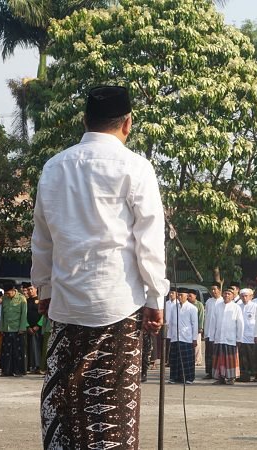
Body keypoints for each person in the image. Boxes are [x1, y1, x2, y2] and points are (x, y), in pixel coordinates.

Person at [31, 85, 169, 449]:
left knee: (65, 406)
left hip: (66, 304)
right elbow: (149, 241)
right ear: (127, 123)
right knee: (112, 413)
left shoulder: (54, 167)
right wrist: (156, 298)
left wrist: (45, 288)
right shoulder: (136, 168)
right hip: (119, 305)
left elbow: (42, 238)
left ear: (84, 120)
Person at [211, 288, 244, 385]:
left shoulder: (236, 307)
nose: (226, 295)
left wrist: (239, 338)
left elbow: (240, 324)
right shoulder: (217, 306)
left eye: (229, 294)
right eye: (225, 293)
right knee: (219, 359)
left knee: (230, 360)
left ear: (233, 296)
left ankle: (231, 378)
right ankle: (220, 377)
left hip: (231, 338)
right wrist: (212, 337)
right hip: (219, 338)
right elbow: (213, 322)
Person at [166, 287, 198, 384]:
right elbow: (170, 322)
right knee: (175, 359)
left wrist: (194, 338)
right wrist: (169, 336)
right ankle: (174, 377)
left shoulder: (192, 308)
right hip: (175, 336)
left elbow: (195, 324)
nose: (179, 297)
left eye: (181, 295)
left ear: (187, 296)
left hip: (187, 337)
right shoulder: (174, 307)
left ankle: (188, 378)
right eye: (178, 295)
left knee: (186, 359)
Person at [0, 284, 28, 377]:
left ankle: (18, 371)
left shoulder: (22, 299)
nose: (7, 295)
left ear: (13, 290)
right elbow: (2, 314)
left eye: (8, 293)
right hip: (7, 328)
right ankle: (6, 370)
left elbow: (24, 314)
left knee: (17, 351)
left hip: (17, 329)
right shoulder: (5, 299)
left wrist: (22, 328)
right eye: (6, 293)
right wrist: (1, 327)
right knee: (6, 351)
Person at [237, 288, 257, 382]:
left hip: (252, 336)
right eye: (242, 296)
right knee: (243, 357)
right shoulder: (238, 306)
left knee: (253, 357)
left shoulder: (255, 306)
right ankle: (244, 375)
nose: (244, 298)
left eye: (246, 296)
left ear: (251, 296)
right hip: (241, 336)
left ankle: (255, 375)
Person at [203, 283, 224, 379]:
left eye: (215, 289)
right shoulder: (208, 301)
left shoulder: (223, 301)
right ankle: (209, 372)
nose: (213, 291)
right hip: (209, 332)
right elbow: (206, 317)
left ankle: (218, 372)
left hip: (218, 333)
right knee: (209, 353)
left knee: (217, 354)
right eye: (211, 289)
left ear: (219, 290)